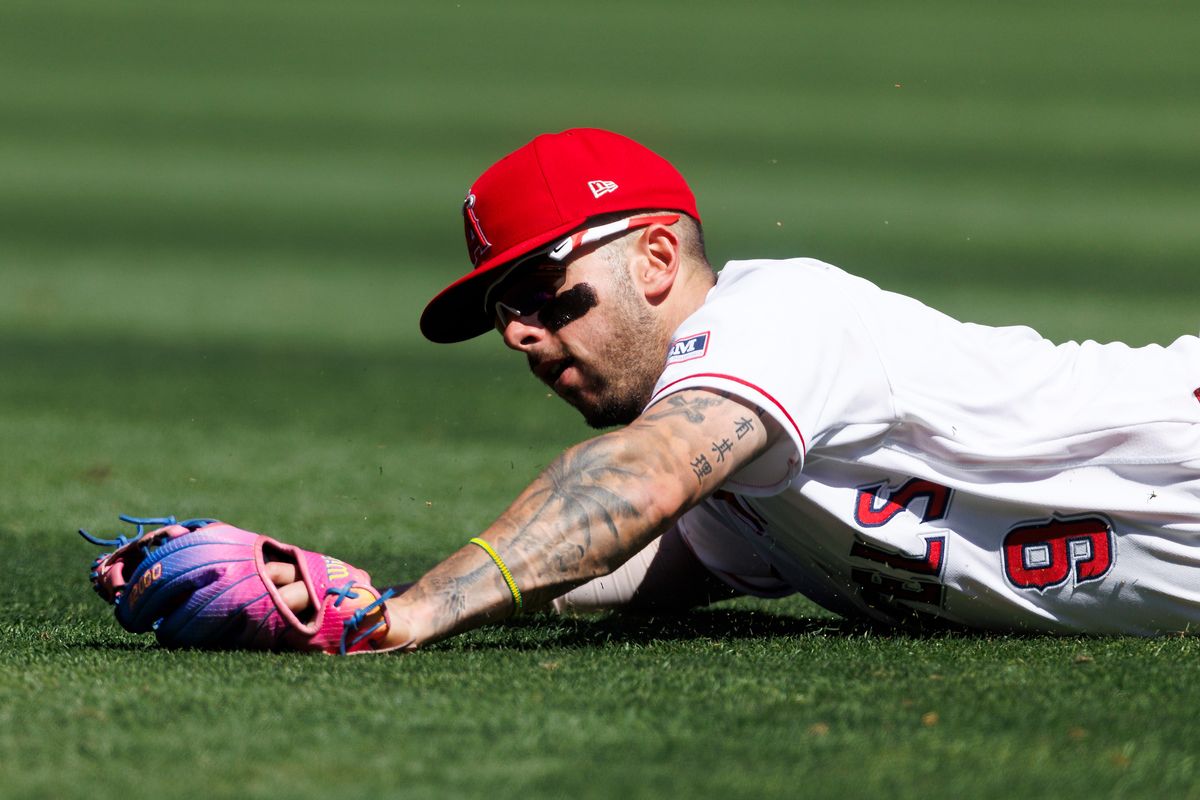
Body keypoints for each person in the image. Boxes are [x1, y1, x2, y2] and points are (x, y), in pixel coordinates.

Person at [286, 127, 1200, 650]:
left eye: (542, 292)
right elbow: (655, 551)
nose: (522, 331)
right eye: (501, 312)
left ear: (654, 257)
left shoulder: (777, 318)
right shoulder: (741, 459)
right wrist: (363, 599)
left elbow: (641, 478)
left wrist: (411, 619)